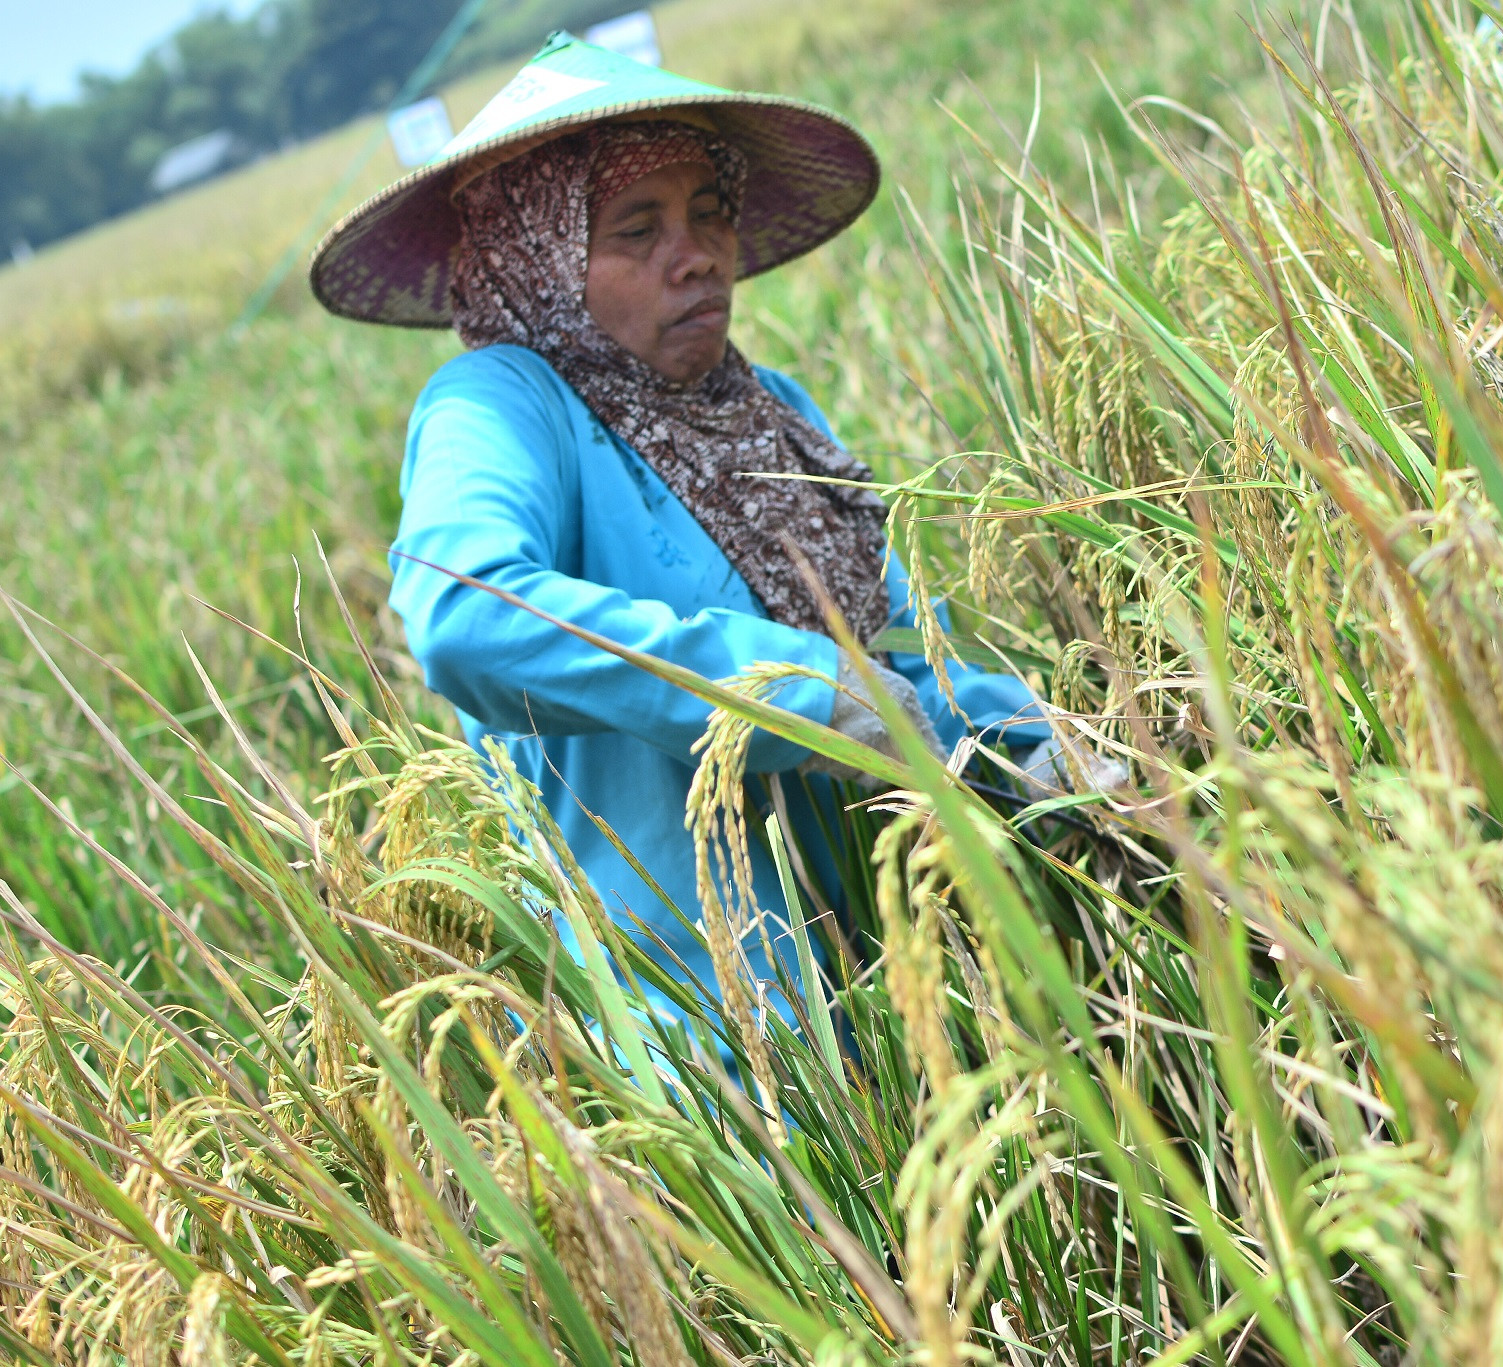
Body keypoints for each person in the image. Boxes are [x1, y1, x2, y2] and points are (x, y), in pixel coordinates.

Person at [310, 33, 1071, 1010]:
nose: (697, 258)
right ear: (532, 254)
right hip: (712, 1030)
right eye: (636, 230)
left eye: (708, 215)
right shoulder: (500, 402)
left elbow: (888, 670)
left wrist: (1039, 740)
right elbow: (465, 615)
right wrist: (786, 693)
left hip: (901, 971)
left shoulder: (765, 406)